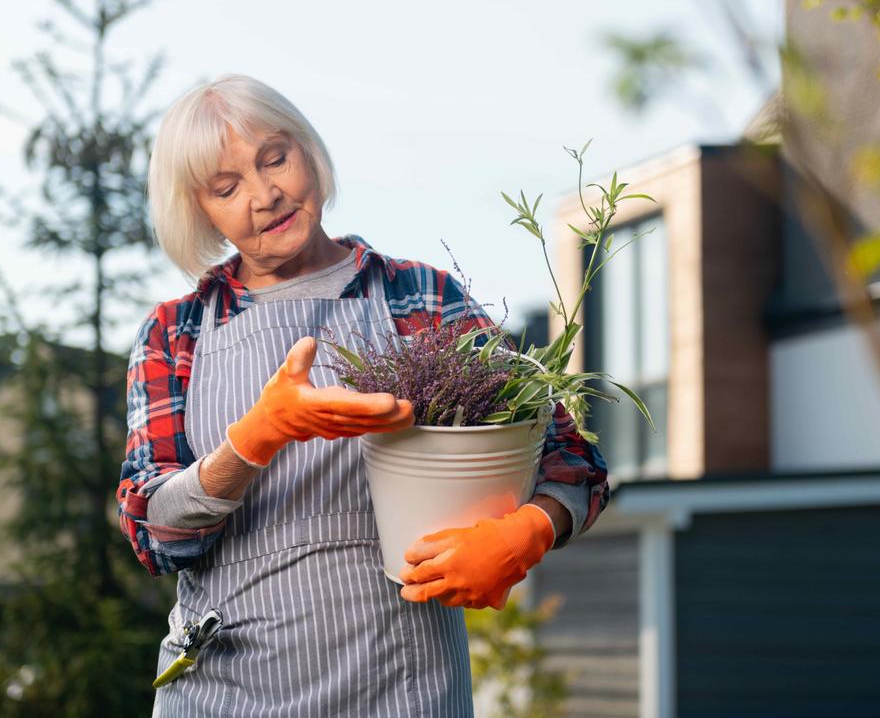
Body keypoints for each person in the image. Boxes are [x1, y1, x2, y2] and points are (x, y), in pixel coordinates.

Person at [116, 74, 610, 716]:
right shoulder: (176, 332)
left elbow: (572, 461)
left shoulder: (420, 299)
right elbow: (153, 534)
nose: (266, 195)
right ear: (199, 210)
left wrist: (528, 532)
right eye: (227, 186)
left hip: (402, 687)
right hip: (224, 692)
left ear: (308, 152)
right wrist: (254, 439)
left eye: (275, 159)